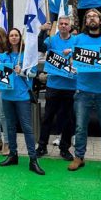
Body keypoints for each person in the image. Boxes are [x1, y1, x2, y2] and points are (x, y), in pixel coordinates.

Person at [65, 9, 101, 175]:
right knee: (80, 127)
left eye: (94, 16)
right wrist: (72, 63)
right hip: (83, 89)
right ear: (85, 21)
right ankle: (79, 157)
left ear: (100, 20)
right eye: (88, 16)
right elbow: (71, 58)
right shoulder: (78, 39)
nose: (91, 18)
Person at [0, 28, 45, 175]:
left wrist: (22, 72)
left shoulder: (27, 56)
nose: (14, 37)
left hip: (22, 96)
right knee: (10, 127)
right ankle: (13, 155)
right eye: (11, 35)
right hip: (7, 96)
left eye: (16, 35)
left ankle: (33, 159)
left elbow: (33, 73)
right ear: (8, 38)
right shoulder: (4, 56)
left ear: (20, 38)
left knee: (27, 128)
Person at [36, 15, 76, 161]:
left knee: (67, 119)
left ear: (70, 27)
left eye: (66, 24)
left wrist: (71, 51)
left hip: (70, 85)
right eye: (61, 24)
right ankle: (42, 146)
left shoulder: (75, 41)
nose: (64, 26)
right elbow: (40, 47)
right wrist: (42, 31)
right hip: (53, 84)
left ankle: (64, 149)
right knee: (47, 117)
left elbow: (81, 56)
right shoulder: (51, 39)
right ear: (58, 26)